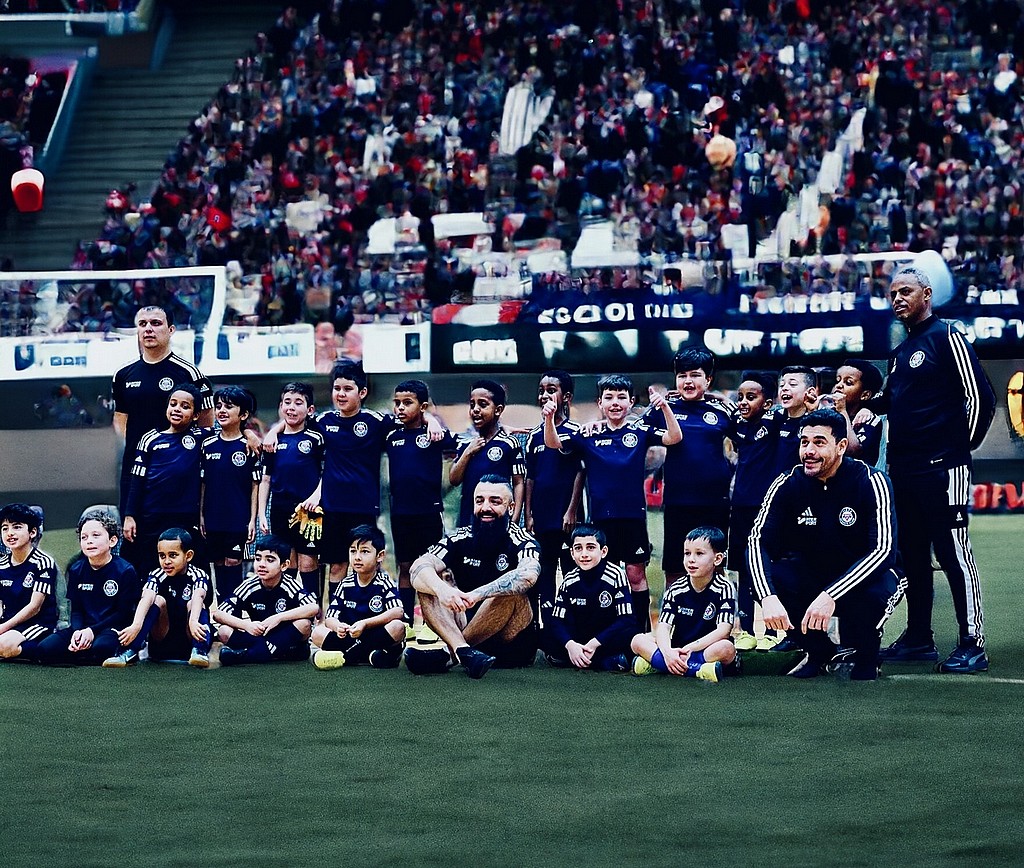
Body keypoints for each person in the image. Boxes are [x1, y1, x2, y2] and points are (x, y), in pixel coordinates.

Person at [861, 265, 996, 673]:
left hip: (942, 467)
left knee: (954, 552)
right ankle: (919, 638)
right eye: (892, 294)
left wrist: (958, 448)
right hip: (904, 471)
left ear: (926, 295)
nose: (897, 299)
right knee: (914, 556)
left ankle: (973, 643)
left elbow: (981, 397)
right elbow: (892, 399)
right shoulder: (900, 351)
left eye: (906, 291)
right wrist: (863, 405)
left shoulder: (947, 335)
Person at [747, 409, 902, 680]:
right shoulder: (787, 483)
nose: (809, 451)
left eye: (819, 443)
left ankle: (867, 653)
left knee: (872, 598)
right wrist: (767, 596)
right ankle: (818, 651)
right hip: (815, 573)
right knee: (768, 580)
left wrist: (830, 595)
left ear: (841, 446)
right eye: (804, 442)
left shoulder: (871, 481)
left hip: (867, 577)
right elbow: (757, 540)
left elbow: (883, 550)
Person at [544, 374, 681, 631]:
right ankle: (606, 632)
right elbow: (553, 443)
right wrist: (549, 418)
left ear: (631, 402)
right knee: (603, 576)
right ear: (600, 403)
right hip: (601, 519)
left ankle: (640, 633)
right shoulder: (588, 433)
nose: (615, 403)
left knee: (635, 575)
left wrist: (664, 407)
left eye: (621, 397)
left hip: (633, 518)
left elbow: (674, 437)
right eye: (608, 397)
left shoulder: (640, 431)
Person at [407, 476, 541, 679]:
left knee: (512, 591)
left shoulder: (522, 540)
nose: (485, 507)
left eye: (495, 501)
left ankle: (449, 656)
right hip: (468, 627)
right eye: (479, 501)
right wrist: (443, 591)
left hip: (511, 645)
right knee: (427, 582)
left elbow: (528, 575)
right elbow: (418, 567)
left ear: (511, 507)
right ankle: (464, 651)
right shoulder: (460, 537)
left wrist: (477, 595)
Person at [111, 305, 214, 515]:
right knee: (133, 530)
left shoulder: (189, 374)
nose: (148, 329)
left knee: (174, 532)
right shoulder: (122, 374)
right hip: (135, 468)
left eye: (156, 323)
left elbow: (206, 422)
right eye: (142, 324)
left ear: (171, 330)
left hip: (175, 469)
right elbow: (120, 419)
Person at [647, 348, 733, 586]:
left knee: (715, 565)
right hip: (678, 501)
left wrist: (724, 400)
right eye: (682, 375)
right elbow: (631, 428)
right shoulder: (663, 409)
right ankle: (674, 609)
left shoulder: (722, 411)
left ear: (708, 380)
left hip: (715, 502)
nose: (688, 381)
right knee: (676, 567)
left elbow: (747, 435)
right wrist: (600, 423)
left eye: (695, 375)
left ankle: (718, 609)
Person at [385, 379, 458, 626]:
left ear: (423, 406)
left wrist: (432, 421)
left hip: (429, 512)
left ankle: (432, 623)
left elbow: (462, 442)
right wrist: (430, 418)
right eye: (397, 403)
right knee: (405, 567)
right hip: (400, 513)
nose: (400, 408)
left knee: (432, 568)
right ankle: (406, 621)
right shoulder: (391, 434)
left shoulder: (435, 435)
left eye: (407, 403)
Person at [35, 508, 142, 667]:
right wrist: (78, 632)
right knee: (44, 650)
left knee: (102, 648)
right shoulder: (76, 569)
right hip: (83, 628)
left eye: (95, 535)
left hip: (110, 628)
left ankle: (97, 654)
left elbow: (123, 614)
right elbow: (76, 610)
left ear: (112, 541)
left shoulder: (125, 570)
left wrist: (92, 631)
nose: (89, 541)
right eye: (84, 537)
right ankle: (83, 652)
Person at [631, 526, 736, 682]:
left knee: (726, 648)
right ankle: (697, 670)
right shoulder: (676, 589)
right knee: (637, 640)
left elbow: (724, 631)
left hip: (704, 648)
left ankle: (659, 664)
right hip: (677, 648)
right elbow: (663, 627)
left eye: (699, 553)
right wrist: (668, 652)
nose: (691, 559)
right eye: (687, 553)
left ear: (717, 559)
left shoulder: (724, 588)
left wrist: (690, 648)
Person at [122, 384, 207, 577]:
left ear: (195, 415)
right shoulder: (150, 439)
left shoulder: (202, 438)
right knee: (153, 568)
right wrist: (130, 515)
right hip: (152, 515)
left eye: (185, 406)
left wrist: (249, 434)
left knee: (186, 569)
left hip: (186, 516)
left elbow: (230, 434)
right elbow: (136, 480)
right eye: (173, 404)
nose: (177, 409)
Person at [523, 370, 584, 625]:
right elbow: (530, 477)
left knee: (572, 570)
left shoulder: (575, 432)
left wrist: (571, 510)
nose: (544, 395)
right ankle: (545, 627)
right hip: (542, 516)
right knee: (544, 570)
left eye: (551, 390)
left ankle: (573, 625)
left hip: (567, 517)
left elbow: (580, 472)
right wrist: (528, 514)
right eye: (541, 391)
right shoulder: (533, 436)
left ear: (566, 397)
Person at [725, 371, 780, 651]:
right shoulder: (737, 424)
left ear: (767, 403)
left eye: (751, 397)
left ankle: (772, 630)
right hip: (740, 506)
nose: (743, 402)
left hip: (766, 506)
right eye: (740, 397)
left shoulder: (776, 421)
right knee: (742, 569)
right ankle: (745, 630)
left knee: (767, 567)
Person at [257, 382, 324, 596]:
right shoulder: (272, 442)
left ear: (310, 409)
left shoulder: (316, 437)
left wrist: (316, 496)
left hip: (309, 509)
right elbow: (265, 480)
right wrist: (262, 514)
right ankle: (289, 606)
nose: (291, 408)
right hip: (280, 508)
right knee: (287, 561)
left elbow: (327, 472)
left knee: (307, 562)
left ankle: (314, 609)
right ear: (280, 407)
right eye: (287, 402)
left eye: (298, 403)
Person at [309, 524, 405, 670]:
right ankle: (370, 656)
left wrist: (365, 624)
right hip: (350, 636)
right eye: (353, 551)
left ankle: (347, 657)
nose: (357, 557)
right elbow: (330, 618)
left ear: (380, 556)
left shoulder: (384, 582)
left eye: (365, 551)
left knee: (397, 627)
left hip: (374, 635)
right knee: (317, 633)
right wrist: (338, 627)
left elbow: (398, 611)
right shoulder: (345, 584)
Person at [212, 535, 319, 665]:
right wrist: (246, 625)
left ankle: (248, 656)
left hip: (284, 635)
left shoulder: (290, 585)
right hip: (259, 635)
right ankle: (277, 653)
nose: (262, 564)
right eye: (258, 559)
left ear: (284, 565)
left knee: (304, 624)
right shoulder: (249, 585)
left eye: (270, 560)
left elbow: (314, 607)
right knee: (223, 631)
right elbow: (218, 614)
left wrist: (279, 618)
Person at [542, 525, 634, 671]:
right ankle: (603, 661)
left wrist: (595, 643)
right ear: (572, 553)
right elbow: (557, 621)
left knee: (631, 634)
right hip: (579, 639)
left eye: (590, 548)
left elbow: (626, 619)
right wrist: (570, 645)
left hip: (603, 638)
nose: (584, 554)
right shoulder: (569, 580)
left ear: (603, 551)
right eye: (578, 548)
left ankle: (585, 661)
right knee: (545, 635)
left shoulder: (616, 575)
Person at [201, 386, 261, 598]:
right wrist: (201, 515)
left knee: (233, 562)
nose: (221, 411)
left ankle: (233, 611)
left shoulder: (249, 446)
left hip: (238, 518)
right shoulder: (207, 444)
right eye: (218, 406)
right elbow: (203, 483)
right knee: (218, 563)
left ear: (243, 414)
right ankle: (221, 611)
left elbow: (255, 485)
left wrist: (252, 520)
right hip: (213, 517)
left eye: (228, 406)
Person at [130, 528, 214, 667]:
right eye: (162, 556)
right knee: (157, 600)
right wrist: (136, 625)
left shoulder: (198, 575)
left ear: (188, 556)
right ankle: (130, 650)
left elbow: (199, 595)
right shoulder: (157, 574)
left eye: (173, 555)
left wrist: (193, 621)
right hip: (162, 643)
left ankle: (199, 651)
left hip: (189, 639)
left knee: (194, 603)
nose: (166, 561)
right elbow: (146, 596)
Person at [449, 379, 526, 528]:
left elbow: (518, 483)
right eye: (472, 405)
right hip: (468, 519)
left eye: (482, 405)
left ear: (498, 410)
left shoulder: (509, 443)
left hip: (497, 519)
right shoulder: (466, 443)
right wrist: (468, 452)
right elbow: (454, 479)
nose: (475, 410)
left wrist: (514, 519)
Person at [0, 503, 59, 662]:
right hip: (9, 622)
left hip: (37, 623)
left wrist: (3, 627)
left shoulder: (43, 562)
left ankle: (45, 651)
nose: (10, 533)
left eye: (17, 527)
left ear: (32, 532)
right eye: (5, 528)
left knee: (3, 644)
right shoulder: (1, 564)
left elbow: (35, 607)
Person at [830, 359, 884, 466]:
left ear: (865, 395)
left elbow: (852, 452)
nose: (839, 386)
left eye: (848, 383)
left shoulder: (870, 420)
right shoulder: (828, 413)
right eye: (838, 381)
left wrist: (842, 411)